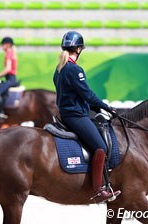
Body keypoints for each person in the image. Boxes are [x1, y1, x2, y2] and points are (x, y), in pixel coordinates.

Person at [53, 31, 121, 203]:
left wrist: (96, 106)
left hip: (66, 114)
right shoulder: (74, 69)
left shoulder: (60, 68)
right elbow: (88, 94)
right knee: (100, 147)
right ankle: (98, 190)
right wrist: (107, 107)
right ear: (78, 49)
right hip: (75, 115)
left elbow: (77, 95)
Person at [0, 36, 18, 122]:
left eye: (3, 45)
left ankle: (0, 112)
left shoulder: (8, 53)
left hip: (10, 79)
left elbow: (8, 69)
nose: (2, 47)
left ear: (8, 45)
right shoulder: (12, 53)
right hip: (10, 78)